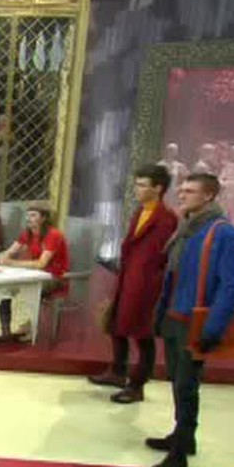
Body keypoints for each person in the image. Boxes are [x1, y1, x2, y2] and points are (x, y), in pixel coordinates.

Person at [148, 173, 234, 467]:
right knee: (177, 379)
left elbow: (231, 286)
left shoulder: (225, 234)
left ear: (209, 196)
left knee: (187, 386)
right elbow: (173, 276)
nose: (182, 194)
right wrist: (161, 316)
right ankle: (183, 437)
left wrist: (213, 329)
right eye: (182, 189)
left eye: (189, 191)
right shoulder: (186, 229)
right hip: (175, 317)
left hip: (195, 322)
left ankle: (179, 456)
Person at [90, 164, 178, 403]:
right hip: (128, 277)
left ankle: (137, 385)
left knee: (142, 333)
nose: (137, 189)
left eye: (142, 185)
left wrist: (143, 279)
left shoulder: (166, 217)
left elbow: (156, 255)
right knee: (116, 324)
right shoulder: (141, 211)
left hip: (145, 283)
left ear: (158, 188)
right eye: (136, 184)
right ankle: (118, 372)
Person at [0, 202, 70, 339]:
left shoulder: (54, 235)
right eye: (27, 215)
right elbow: (10, 252)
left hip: (54, 276)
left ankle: (30, 326)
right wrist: (1, 258)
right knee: (4, 288)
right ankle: (5, 330)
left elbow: (41, 263)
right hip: (35, 274)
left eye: (33, 215)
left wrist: (12, 263)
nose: (28, 218)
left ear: (44, 218)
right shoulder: (28, 233)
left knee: (24, 289)